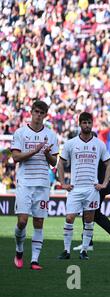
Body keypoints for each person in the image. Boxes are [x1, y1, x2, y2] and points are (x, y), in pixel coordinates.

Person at [10, 100, 59, 270]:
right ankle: (19, 251)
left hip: (43, 184)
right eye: (36, 112)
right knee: (22, 221)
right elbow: (15, 158)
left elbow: (54, 162)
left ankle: (35, 260)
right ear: (31, 112)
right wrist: (34, 150)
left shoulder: (51, 135)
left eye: (42, 113)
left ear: (45, 115)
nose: (38, 115)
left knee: (39, 221)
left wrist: (47, 154)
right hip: (25, 182)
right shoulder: (21, 133)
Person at [57, 112, 110, 260]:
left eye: (89, 122)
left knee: (89, 220)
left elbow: (108, 163)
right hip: (75, 188)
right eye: (84, 123)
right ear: (80, 124)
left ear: (92, 124)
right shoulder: (71, 143)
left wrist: (105, 183)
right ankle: (66, 251)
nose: (87, 125)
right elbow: (60, 163)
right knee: (69, 218)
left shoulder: (99, 144)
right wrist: (62, 183)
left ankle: (84, 251)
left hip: (91, 189)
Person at [73, 156, 110, 252]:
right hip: (96, 185)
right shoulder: (94, 148)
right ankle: (89, 242)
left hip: (98, 186)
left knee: (91, 213)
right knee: (91, 213)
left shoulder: (96, 148)